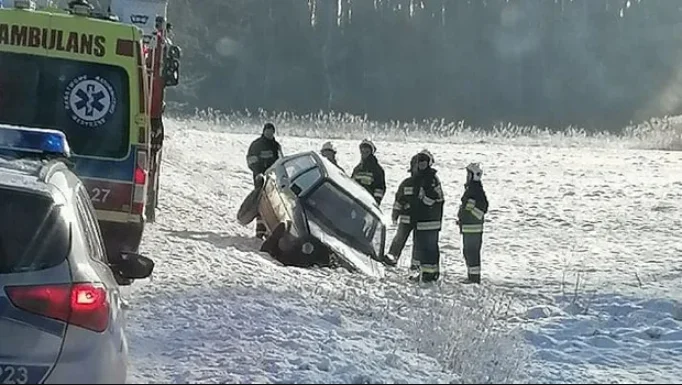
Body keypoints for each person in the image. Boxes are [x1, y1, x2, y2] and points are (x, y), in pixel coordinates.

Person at [410, 149, 444, 283]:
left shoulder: (430, 178)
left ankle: (429, 275)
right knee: (426, 247)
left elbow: (432, 197)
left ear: (429, 163)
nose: (422, 163)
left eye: (424, 161)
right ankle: (428, 274)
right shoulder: (422, 177)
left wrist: (421, 205)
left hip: (429, 219)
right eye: (420, 161)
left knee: (428, 248)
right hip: (424, 220)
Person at [246, 122, 283, 238]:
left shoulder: (276, 146)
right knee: (261, 202)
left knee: (273, 203)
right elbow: (251, 160)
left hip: (273, 179)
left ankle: (269, 229)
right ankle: (260, 230)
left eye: (271, 131)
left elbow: (280, 161)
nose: (270, 133)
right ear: (264, 131)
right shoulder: (256, 145)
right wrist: (257, 173)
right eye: (268, 131)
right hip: (260, 178)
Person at [385, 154, 419, 270]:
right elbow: (398, 200)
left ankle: (416, 265)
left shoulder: (427, 182)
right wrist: (395, 215)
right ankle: (392, 257)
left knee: (418, 242)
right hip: (406, 218)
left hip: (420, 219)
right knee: (399, 238)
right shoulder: (406, 183)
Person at [457, 163, 489, 284]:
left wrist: (467, 213)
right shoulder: (474, 188)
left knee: (471, 252)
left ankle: (474, 278)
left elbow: (482, 208)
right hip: (470, 227)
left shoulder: (475, 189)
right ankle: (472, 276)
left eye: (468, 174)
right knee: (469, 252)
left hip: (472, 228)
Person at [351, 138, 386, 205]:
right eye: (362, 149)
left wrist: (375, 203)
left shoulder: (377, 170)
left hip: (368, 205)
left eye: (367, 149)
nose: (364, 150)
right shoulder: (357, 169)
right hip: (356, 203)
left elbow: (379, 189)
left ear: (371, 152)